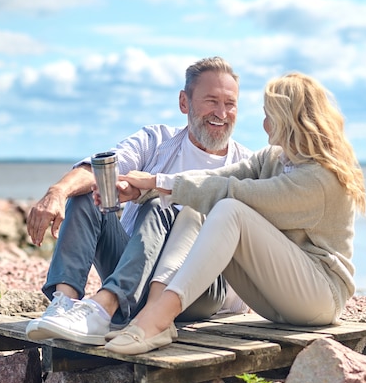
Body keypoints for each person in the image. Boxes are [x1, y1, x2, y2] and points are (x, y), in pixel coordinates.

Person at [100, 72, 366, 355]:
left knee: (229, 207)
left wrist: (157, 182)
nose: (264, 124)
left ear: (288, 119)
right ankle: (156, 310)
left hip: (320, 298)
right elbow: (214, 177)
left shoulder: (320, 179)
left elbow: (235, 193)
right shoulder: (273, 158)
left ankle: (160, 316)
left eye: (269, 115)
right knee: (195, 209)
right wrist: (150, 186)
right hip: (277, 299)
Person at [25, 56, 252, 345]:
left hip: (200, 290)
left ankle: (103, 308)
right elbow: (99, 169)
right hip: (135, 272)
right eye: (211, 101)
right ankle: (64, 305)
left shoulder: (246, 165)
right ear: (184, 102)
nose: (221, 112)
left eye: (230, 103)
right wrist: (56, 192)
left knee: (160, 204)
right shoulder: (156, 141)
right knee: (85, 196)